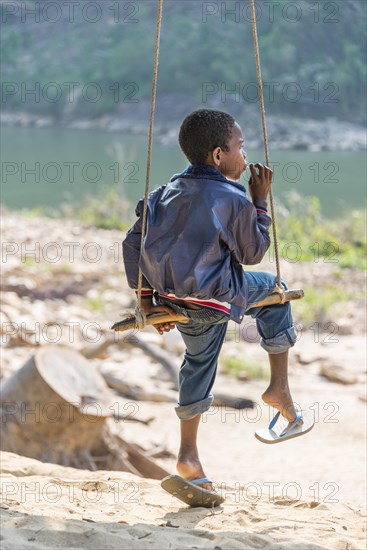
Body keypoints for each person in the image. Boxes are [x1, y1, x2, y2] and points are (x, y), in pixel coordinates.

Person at [122, 109, 313, 507]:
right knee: (276, 291)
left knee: (198, 364)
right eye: (240, 147)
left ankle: (188, 457)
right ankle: (279, 390)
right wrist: (260, 202)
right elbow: (254, 252)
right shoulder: (232, 197)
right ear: (218, 156)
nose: (246, 156)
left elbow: (131, 244)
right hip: (216, 300)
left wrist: (146, 302)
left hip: (172, 302)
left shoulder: (163, 193)